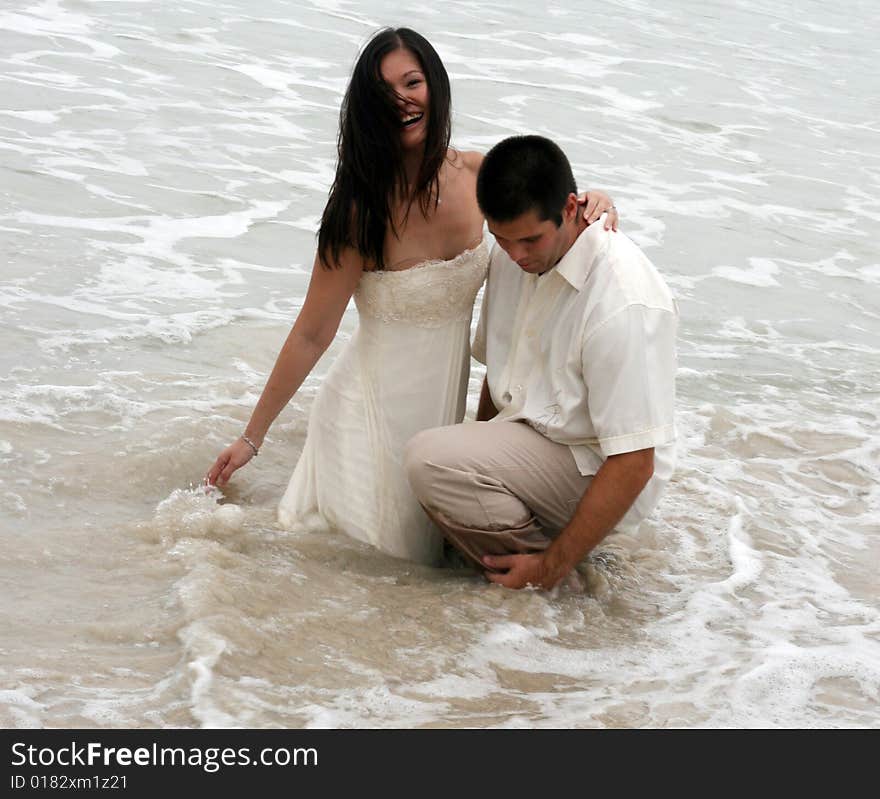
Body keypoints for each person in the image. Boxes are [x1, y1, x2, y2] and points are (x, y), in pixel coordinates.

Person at [206, 29, 618, 565]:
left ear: (435, 87)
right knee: (374, 573)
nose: (403, 101)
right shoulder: (359, 212)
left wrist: (600, 198)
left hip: (441, 421)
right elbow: (312, 332)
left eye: (414, 82)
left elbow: (548, 216)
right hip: (368, 417)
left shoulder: (477, 174)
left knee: (424, 562)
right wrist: (250, 439)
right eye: (385, 93)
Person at [404, 135, 677, 588]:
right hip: (540, 438)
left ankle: (554, 579)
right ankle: (533, 552)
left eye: (530, 239)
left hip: (598, 462)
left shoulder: (622, 298)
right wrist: (474, 456)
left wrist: (551, 568)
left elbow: (634, 460)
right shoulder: (512, 254)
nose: (517, 255)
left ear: (571, 209)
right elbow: (499, 374)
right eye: (503, 239)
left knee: (430, 461)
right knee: (440, 467)